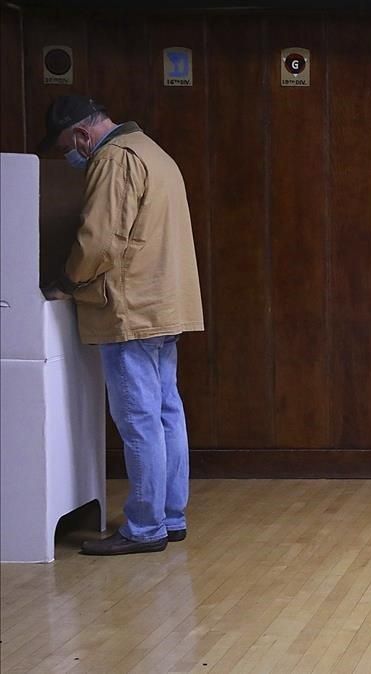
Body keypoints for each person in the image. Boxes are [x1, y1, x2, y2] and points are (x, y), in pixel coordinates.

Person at [38, 95, 204, 555]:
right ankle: (170, 516)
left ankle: (145, 527)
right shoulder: (154, 151)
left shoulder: (114, 158)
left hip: (128, 307)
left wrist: (65, 282)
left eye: (67, 147)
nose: (72, 157)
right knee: (167, 411)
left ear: (81, 135)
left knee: (138, 418)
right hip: (165, 304)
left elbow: (99, 240)